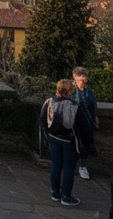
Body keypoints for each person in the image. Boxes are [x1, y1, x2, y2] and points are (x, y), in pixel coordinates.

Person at [42, 78, 92, 207]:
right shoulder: (74, 106)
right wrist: (87, 145)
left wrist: (48, 135)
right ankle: (66, 196)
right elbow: (84, 127)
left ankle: (55, 193)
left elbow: (43, 119)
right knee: (69, 168)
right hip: (69, 141)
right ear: (70, 91)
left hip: (53, 138)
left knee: (56, 165)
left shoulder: (49, 101)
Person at [72, 67, 99, 180]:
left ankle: (83, 167)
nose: (82, 78)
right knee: (75, 144)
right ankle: (71, 166)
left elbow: (94, 104)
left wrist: (96, 118)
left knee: (85, 144)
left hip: (87, 121)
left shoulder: (89, 91)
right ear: (75, 77)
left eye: (83, 76)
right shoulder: (72, 89)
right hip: (74, 121)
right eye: (79, 76)